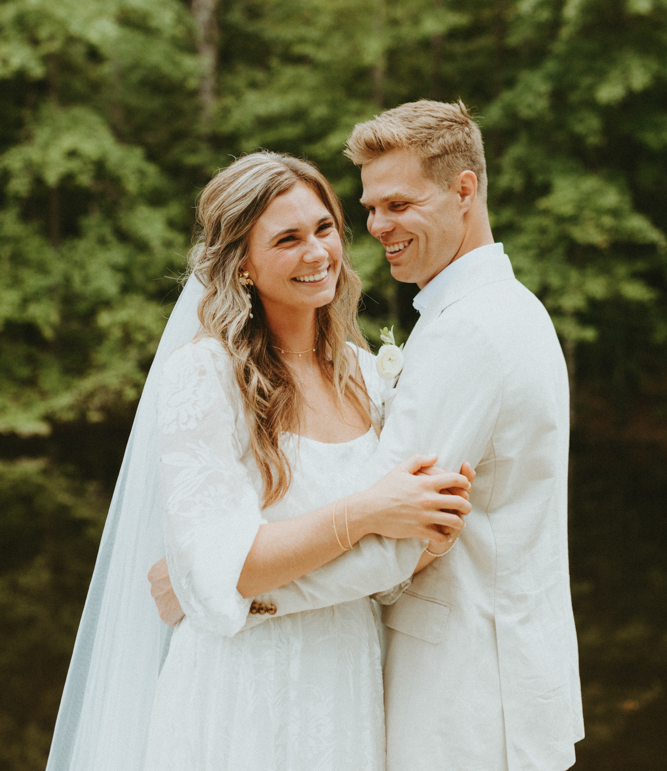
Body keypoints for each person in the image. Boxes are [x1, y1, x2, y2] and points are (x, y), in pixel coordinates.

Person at [152, 99, 584, 771]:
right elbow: (387, 527)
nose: (373, 228)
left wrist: (220, 589)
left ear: (462, 190)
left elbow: (397, 544)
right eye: (369, 209)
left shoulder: (441, 339)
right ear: (240, 263)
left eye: (396, 205)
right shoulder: (488, 314)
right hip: (257, 689)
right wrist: (219, 576)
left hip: (455, 687)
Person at [45, 150, 474, 771]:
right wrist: (370, 510)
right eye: (288, 239)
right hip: (242, 691)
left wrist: (426, 535)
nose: (317, 253)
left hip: (349, 680)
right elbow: (231, 570)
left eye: (325, 228)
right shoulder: (205, 375)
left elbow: (393, 562)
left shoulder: (363, 373)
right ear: (242, 265)